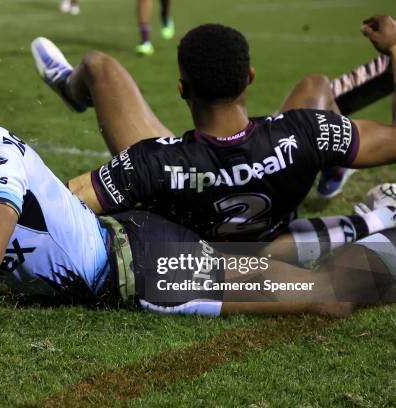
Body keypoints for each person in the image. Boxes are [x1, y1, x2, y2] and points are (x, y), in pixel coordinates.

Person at [0, 68, 394, 391]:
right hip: (131, 238)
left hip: (149, 265)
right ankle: (363, 221)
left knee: (323, 294)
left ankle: (379, 232)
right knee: (271, 260)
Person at [30, 16, 396, 263]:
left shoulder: (150, 162)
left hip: (182, 189)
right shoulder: (307, 131)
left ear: (182, 90)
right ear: (250, 77)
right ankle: (334, 163)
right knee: (315, 86)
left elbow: (54, 209)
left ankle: (69, 86)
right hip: (279, 203)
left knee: (98, 65)